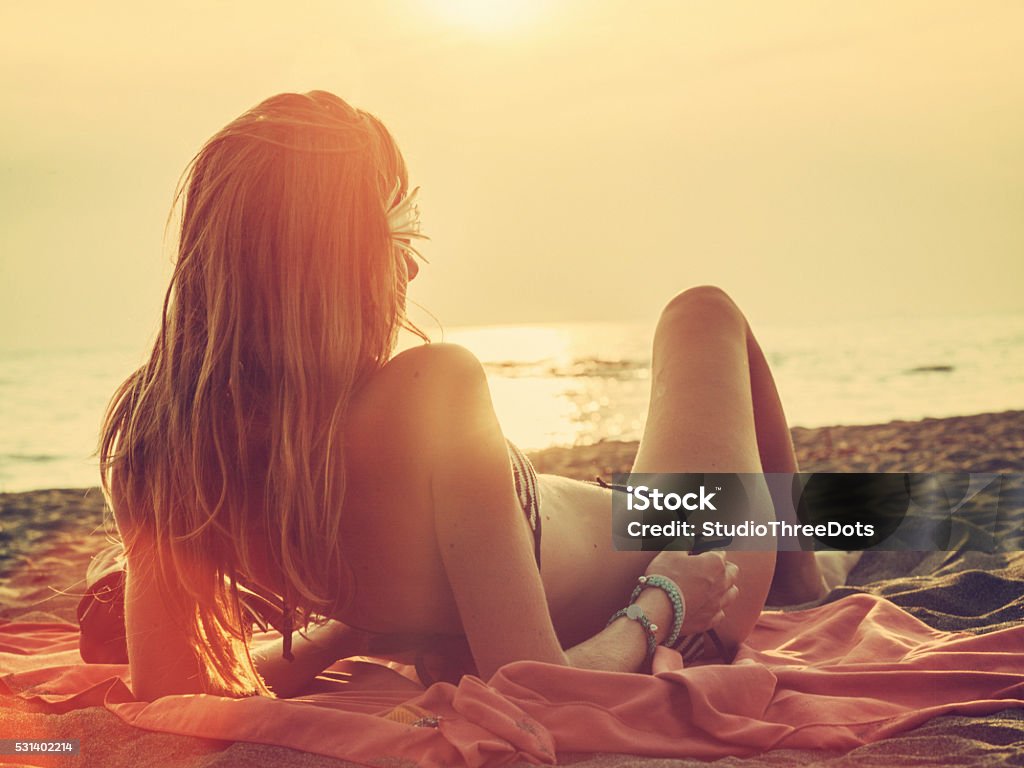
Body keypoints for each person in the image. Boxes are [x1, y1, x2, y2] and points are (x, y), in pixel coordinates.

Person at [97, 90, 849, 701]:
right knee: (703, 312)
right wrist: (668, 599)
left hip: (607, 520)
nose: (411, 272)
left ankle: (806, 556)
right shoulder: (432, 391)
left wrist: (344, 633)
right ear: (328, 269)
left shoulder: (158, 442)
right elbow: (535, 686)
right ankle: (802, 571)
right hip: (677, 542)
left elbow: (171, 692)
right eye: (392, 236)